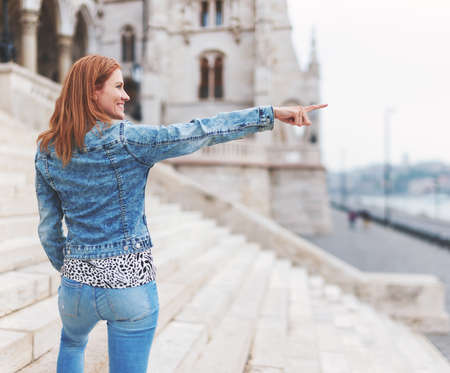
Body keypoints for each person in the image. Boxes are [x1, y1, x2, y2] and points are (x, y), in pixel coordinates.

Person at [34, 54, 327, 373]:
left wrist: (75, 268)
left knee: (73, 343)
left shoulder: (47, 150)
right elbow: (200, 131)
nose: (126, 95)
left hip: (76, 287)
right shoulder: (130, 140)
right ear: (93, 91)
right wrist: (269, 114)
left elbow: (49, 230)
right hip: (130, 286)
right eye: (118, 87)